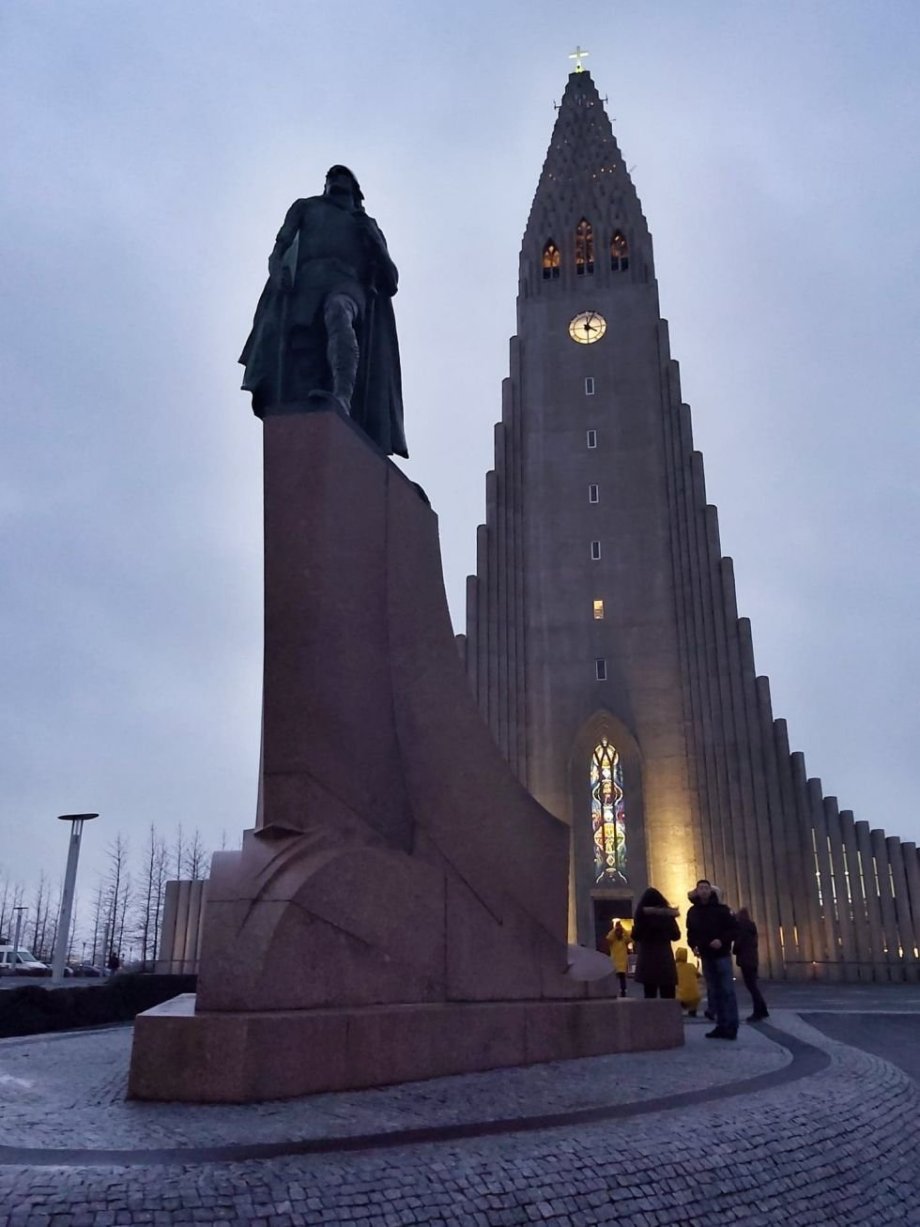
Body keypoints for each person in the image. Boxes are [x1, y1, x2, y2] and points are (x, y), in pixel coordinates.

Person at [239, 165, 408, 457]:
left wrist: (373, 239)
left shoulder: (365, 224)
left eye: (343, 179)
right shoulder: (307, 207)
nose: (335, 182)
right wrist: (278, 271)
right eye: (331, 177)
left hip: (347, 284)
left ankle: (342, 397)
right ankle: (310, 409)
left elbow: (390, 281)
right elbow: (279, 248)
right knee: (304, 355)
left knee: (339, 312)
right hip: (306, 286)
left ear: (356, 192)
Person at [686, 879, 739, 1040]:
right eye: (701, 888)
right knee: (714, 992)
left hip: (721, 955)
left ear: (711, 891)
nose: (704, 891)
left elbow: (734, 929)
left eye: (706, 888)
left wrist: (722, 940)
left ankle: (731, 1026)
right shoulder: (693, 912)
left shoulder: (722, 910)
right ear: (697, 891)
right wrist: (693, 945)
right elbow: (691, 932)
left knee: (727, 991)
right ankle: (720, 1026)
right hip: (706, 956)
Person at [631, 888, 679, 999]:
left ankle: (651, 1016)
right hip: (664, 957)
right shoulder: (667, 915)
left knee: (649, 995)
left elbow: (635, 936)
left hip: (647, 957)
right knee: (668, 994)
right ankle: (669, 1015)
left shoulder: (641, 916)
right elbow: (676, 935)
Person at [733, 906, 769, 1021]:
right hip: (753, 959)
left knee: (752, 987)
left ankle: (758, 1012)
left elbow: (739, 942)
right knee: (753, 986)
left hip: (745, 959)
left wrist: (734, 950)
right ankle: (763, 1010)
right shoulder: (751, 927)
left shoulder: (742, 927)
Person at [604, 919, 630, 997]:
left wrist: (623, 930)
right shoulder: (613, 940)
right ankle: (615, 991)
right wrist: (615, 930)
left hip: (621, 962)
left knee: (622, 980)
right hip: (615, 962)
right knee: (616, 979)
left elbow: (630, 938)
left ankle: (623, 991)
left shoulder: (623, 939)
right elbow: (608, 938)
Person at [675, 946, 702, 1017]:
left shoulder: (674, 967)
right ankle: (692, 1012)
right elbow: (699, 975)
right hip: (694, 997)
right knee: (694, 1000)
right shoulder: (691, 966)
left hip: (681, 997)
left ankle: (677, 1012)